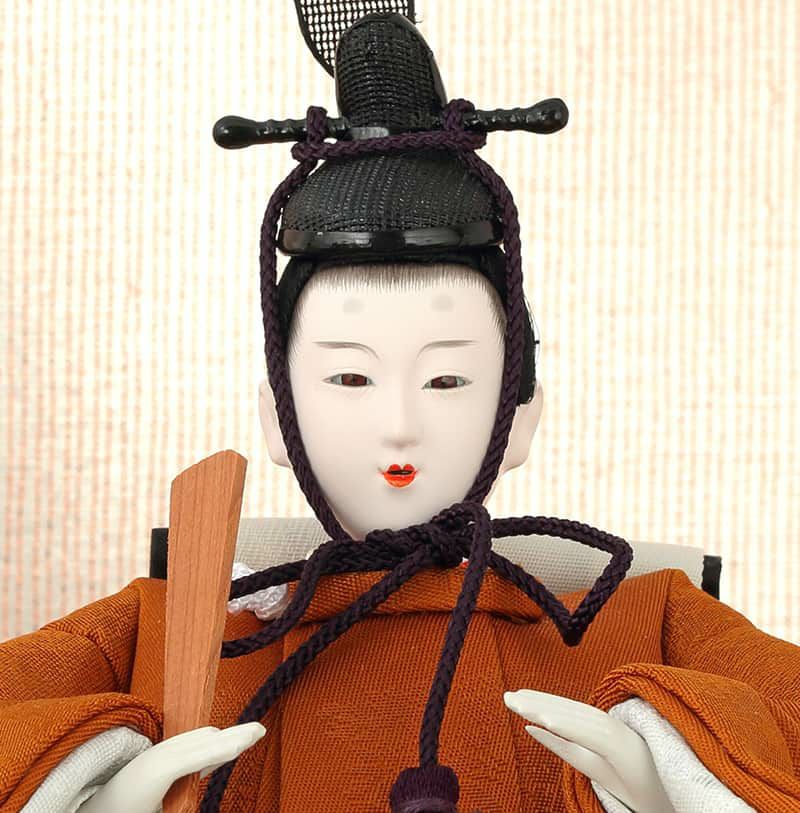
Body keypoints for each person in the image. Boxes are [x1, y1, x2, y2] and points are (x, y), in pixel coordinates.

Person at [2, 7, 799, 813]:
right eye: (351, 377)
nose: (399, 424)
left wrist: (671, 790)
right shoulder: (167, 629)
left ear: (520, 415)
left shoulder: (645, 619)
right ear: (276, 415)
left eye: (446, 380)